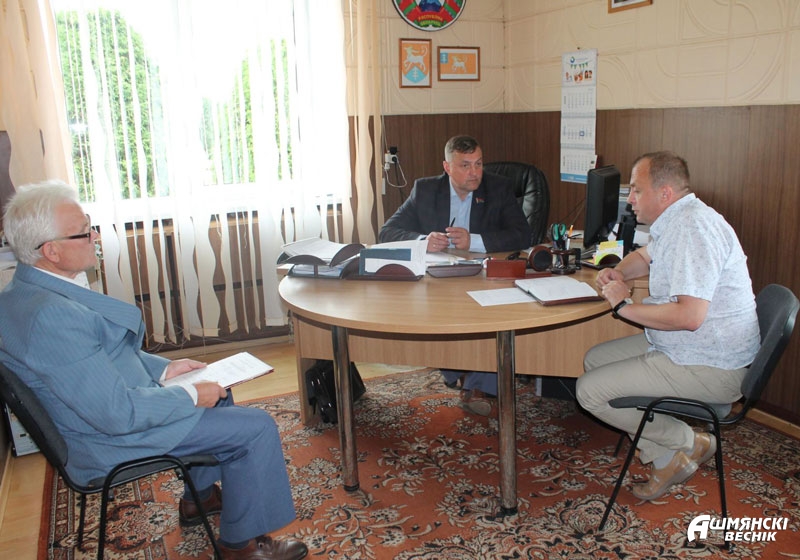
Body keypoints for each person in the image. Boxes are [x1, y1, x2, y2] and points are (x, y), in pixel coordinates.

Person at [0, 181, 307, 560]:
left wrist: (166, 370)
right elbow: (115, 414)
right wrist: (189, 395)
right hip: (105, 437)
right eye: (84, 232)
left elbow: (104, 355)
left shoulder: (24, 291)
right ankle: (240, 546)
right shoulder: (52, 317)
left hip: (98, 411)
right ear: (51, 250)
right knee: (255, 428)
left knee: (219, 391)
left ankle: (199, 499)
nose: (95, 237)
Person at [575, 151, 760, 501]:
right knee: (594, 360)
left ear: (665, 193)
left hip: (712, 365)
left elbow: (689, 316)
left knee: (588, 392)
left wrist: (625, 306)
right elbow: (645, 257)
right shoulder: (678, 219)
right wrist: (619, 272)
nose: (630, 199)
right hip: (690, 347)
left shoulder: (693, 229)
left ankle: (689, 442)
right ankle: (665, 457)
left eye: (636, 190)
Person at [380, 135, 531, 416]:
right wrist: (423, 240)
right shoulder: (426, 190)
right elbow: (387, 232)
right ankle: (462, 371)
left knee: (489, 321)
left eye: (479, 164)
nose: (475, 172)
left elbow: (523, 234)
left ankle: (478, 384)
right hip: (440, 283)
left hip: (485, 279)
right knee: (444, 317)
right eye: (465, 165)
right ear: (447, 167)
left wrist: (475, 240)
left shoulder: (498, 188)